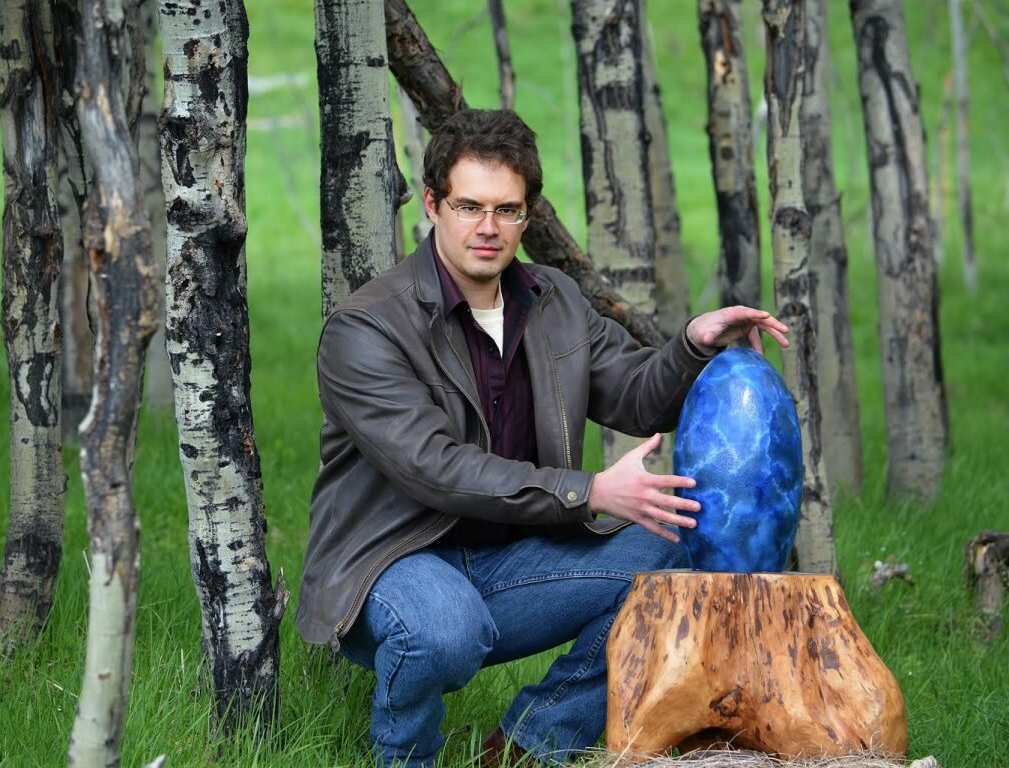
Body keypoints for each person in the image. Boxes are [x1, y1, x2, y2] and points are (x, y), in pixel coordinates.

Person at [296, 109, 789, 767]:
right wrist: (589, 492)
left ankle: (529, 747)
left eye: (507, 210)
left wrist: (694, 345)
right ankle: (404, 758)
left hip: (507, 563)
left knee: (681, 553)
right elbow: (434, 467)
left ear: (527, 215)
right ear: (433, 204)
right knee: (443, 628)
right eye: (469, 206)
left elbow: (636, 395)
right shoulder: (366, 328)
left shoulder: (552, 301)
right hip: (390, 565)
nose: (488, 228)